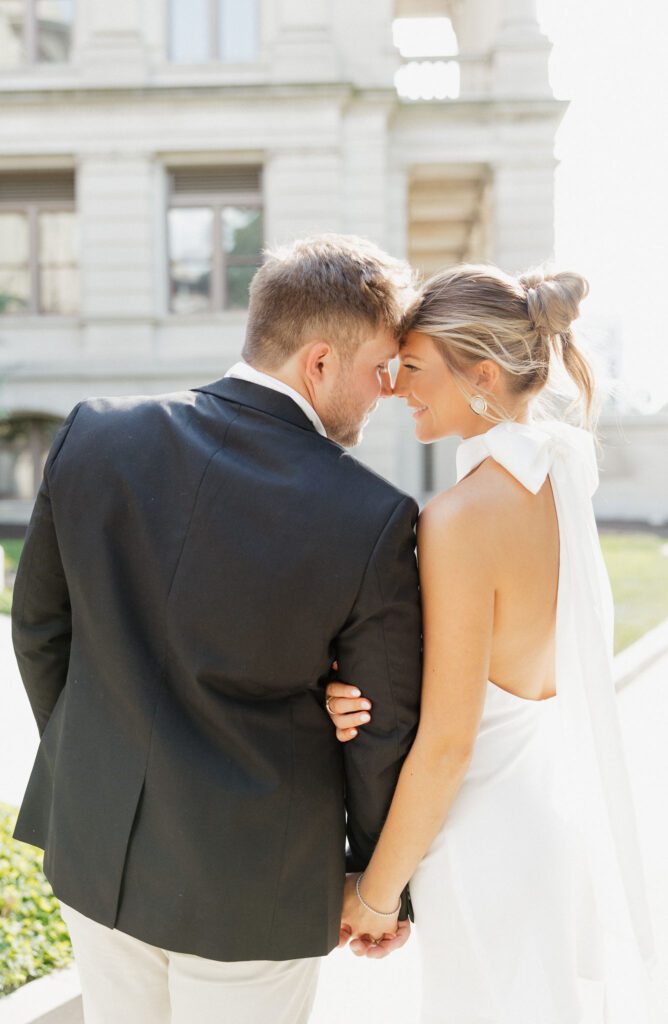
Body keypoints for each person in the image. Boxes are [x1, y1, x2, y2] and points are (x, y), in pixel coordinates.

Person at [11, 234, 422, 1024]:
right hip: (254, 884)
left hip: (97, 851)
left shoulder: (94, 435)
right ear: (318, 362)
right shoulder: (372, 517)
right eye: (380, 369)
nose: (386, 391)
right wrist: (375, 879)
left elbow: (38, 630)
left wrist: (97, 763)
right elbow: (381, 725)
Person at [326, 264, 655, 1022]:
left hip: (483, 846)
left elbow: (448, 743)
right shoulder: (556, 483)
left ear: (481, 373)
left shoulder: (462, 517)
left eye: (413, 366)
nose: (395, 386)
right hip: (543, 824)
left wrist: (377, 893)